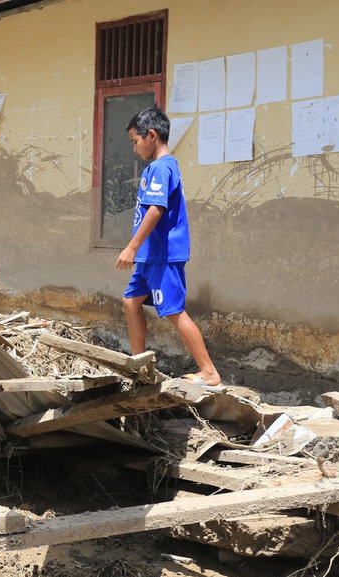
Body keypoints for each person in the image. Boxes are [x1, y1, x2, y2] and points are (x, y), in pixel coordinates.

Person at [115, 107, 221, 387]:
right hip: (151, 255)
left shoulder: (162, 167)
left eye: (135, 142)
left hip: (161, 254)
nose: (135, 149)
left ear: (151, 135)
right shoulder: (160, 167)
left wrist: (131, 247)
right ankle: (138, 364)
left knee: (173, 311)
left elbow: (155, 210)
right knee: (130, 301)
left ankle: (209, 371)